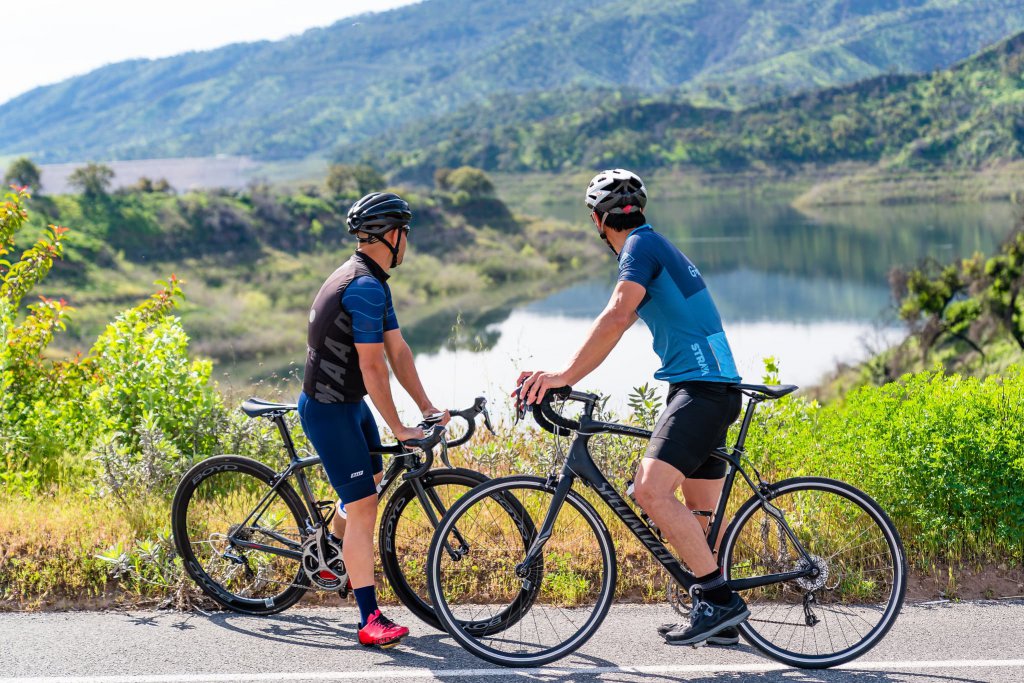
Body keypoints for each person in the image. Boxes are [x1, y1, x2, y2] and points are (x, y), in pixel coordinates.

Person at [516, 169, 747, 647]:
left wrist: (562, 377)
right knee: (701, 515)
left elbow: (618, 315)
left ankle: (720, 600)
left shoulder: (639, 248)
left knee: (650, 492)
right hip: (708, 387)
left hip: (701, 391)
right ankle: (721, 619)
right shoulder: (655, 243)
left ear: (599, 222)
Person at [299, 191, 449, 648]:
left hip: (350, 405)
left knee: (371, 484)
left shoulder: (372, 280)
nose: (408, 242)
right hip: (329, 411)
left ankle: (329, 551)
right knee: (364, 506)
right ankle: (369, 620)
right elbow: (372, 367)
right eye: (406, 233)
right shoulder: (362, 287)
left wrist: (425, 408)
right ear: (390, 235)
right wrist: (401, 427)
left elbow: (397, 351)